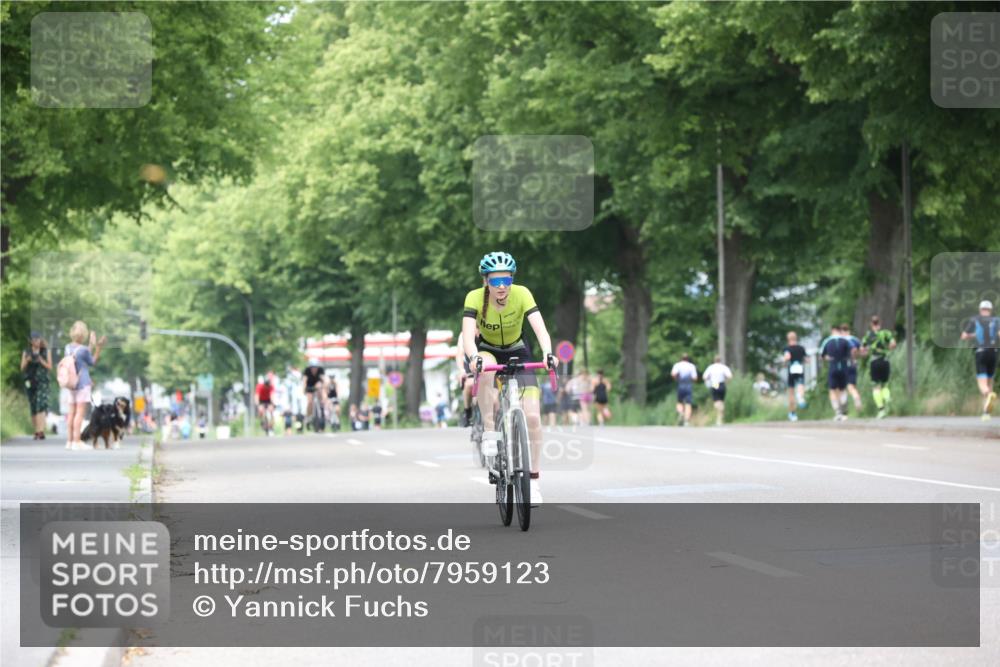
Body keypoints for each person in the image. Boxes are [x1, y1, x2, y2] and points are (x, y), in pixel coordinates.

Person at [462, 251, 557, 505]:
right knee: (485, 369)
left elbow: (541, 330)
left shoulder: (522, 293)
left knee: (533, 417)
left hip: (518, 350)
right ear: (486, 281)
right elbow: (468, 337)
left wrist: (548, 353)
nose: (502, 286)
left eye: (506, 280)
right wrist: (474, 357)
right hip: (488, 350)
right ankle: (490, 432)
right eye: (495, 281)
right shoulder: (473, 297)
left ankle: (533, 480)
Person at [63, 321, 106, 450]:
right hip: (82, 384)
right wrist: (98, 347)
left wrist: (90, 345)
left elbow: (80, 356)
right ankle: (77, 441)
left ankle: (69, 441)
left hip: (71, 384)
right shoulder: (83, 350)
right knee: (79, 413)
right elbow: (92, 361)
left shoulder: (67, 348)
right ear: (83, 335)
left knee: (71, 413)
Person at [960, 300, 999, 421]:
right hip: (994, 352)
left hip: (981, 352)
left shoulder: (974, 320)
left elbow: (964, 336)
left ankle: (988, 394)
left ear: (980, 309)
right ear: (990, 310)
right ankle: (986, 413)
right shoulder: (996, 320)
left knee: (982, 384)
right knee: (990, 382)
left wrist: (971, 335)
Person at [859, 315, 897, 418]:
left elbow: (862, 350)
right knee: (885, 384)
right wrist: (887, 349)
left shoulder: (868, 335)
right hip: (885, 361)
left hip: (874, 362)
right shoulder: (886, 333)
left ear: (871, 324)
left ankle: (881, 410)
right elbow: (893, 344)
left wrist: (866, 351)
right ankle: (887, 398)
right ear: (880, 323)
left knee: (876, 387)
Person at [21, 332, 53, 440]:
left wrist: (41, 360)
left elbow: (50, 367)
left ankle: (41, 431)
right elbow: (22, 368)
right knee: (33, 406)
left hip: (43, 381)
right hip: (30, 381)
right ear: (30, 341)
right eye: (34, 339)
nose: (37, 341)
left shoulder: (46, 351)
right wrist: (27, 360)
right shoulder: (26, 352)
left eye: (38, 339)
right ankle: (36, 430)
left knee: (41, 405)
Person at [820, 324, 852, 421]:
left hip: (833, 367)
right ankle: (844, 408)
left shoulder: (827, 341)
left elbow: (822, 356)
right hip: (844, 367)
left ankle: (838, 412)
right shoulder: (845, 341)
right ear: (839, 330)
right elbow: (850, 354)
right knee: (843, 389)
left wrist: (828, 358)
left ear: (832, 330)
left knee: (832, 390)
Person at [782, 331, 807, 422]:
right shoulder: (801, 348)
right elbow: (806, 359)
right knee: (801, 385)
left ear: (788, 339)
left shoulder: (787, 348)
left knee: (791, 393)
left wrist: (784, 362)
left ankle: (792, 413)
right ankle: (800, 397)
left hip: (791, 369)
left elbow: (787, 357)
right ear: (796, 338)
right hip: (799, 368)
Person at [701, 355, 733, 426]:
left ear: (714, 360)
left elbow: (704, 377)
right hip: (722, 384)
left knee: (716, 401)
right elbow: (730, 376)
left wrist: (709, 381)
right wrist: (726, 382)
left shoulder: (711, 367)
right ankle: (720, 417)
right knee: (721, 401)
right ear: (720, 360)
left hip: (715, 384)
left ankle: (719, 417)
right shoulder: (724, 367)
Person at [841, 323, 863, 414]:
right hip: (853, 364)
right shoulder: (855, 339)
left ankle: (843, 408)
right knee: (852, 386)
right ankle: (856, 397)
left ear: (842, 331)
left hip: (844, 365)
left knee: (842, 387)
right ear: (849, 330)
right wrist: (855, 357)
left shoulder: (841, 340)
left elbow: (853, 349)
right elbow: (862, 351)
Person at [671, 353, 698, 426]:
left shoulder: (677, 365)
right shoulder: (691, 366)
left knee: (679, 402)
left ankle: (681, 412)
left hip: (681, 384)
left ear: (681, 358)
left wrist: (676, 379)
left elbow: (673, 374)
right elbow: (695, 378)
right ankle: (686, 421)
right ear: (688, 359)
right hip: (688, 385)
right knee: (688, 404)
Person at [302, 361, 325, 426]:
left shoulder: (320, 370)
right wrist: (304, 389)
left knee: (319, 387)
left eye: (315, 367)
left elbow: (324, 380)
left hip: (317, 386)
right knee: (310, 402)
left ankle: (321, 404)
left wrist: (324, 388)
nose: (314, 369)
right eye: (312, 368)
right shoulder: (307, 371)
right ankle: (308, 416)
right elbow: (304, 381)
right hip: (309, 386)